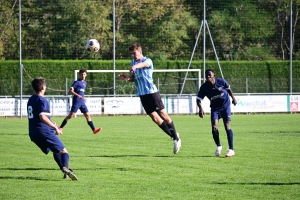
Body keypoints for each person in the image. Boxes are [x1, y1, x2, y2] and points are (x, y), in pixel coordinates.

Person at [118, 42, 181, 154]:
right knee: (155, 118)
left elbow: (143, 65)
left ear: (140, 51)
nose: (133, 56)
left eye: (134, 53)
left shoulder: (148, 61)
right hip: (142, 94)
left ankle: (176, 138)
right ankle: (174, 136)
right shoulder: (133, 62)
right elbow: (133, 78)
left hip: (152, 93)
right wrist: (127, 78)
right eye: (131, 54)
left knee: (163, 115)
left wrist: (135, 66)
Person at [27, 77, 78, 180]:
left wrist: (50, 123)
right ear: (42, 87)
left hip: (33, 133)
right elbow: (42, 116)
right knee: (64, 151)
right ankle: (65, 168)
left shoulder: (31, 99)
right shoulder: (42, 100)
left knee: (55, 150)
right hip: (44, 131)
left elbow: (38, 117)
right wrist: (55, 126)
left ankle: (66, 172)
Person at [196, 69, 237, 157]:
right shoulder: (204, 87)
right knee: (214, 127)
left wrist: (233, 98)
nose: (208, 77)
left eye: (209, 75)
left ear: (214, 75)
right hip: (215, 108)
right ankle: (219, 146)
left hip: (225, 106)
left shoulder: (221, 81)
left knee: (227, 125)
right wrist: (200, 108)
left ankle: (231, 149)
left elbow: (229, 89)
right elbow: (198, 99)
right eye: (206, 75)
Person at [59, 68, 102, 134]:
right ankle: (61, 127)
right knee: (71, 115)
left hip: (82, 101)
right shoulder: (76, 82)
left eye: (84, 74)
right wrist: (78, 95)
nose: (83, 75)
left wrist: (83, 97)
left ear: (86, 75)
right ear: (79, 75)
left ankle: (94, 129)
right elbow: (70, 91)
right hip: (76, 101)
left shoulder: (85, 83)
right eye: (81, 74)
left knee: (87, 115)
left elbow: (81, 92)